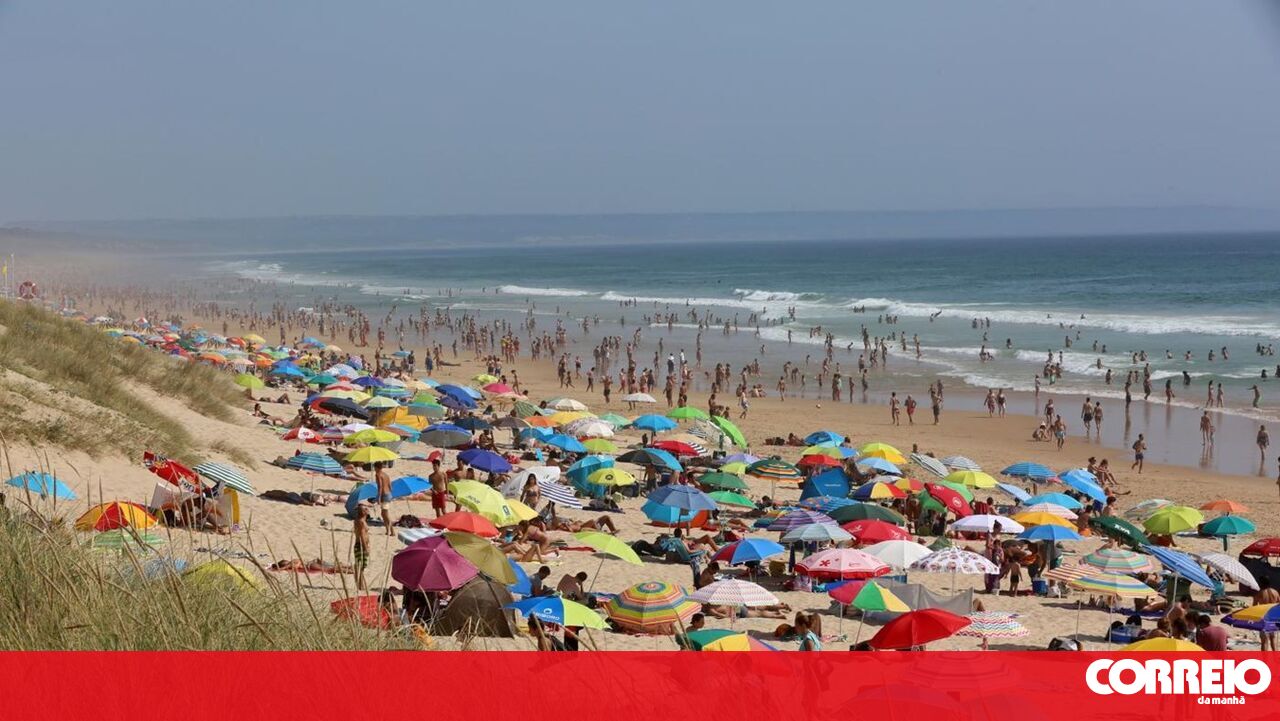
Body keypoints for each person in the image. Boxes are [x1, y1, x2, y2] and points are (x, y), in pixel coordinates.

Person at [1254, 578, 1280, 651]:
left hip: (1264, 618)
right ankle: (1275, 656)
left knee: (1264, 641)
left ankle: (1265, 658)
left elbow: (1254, 607)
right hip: (1274, 618)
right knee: (1273, 639)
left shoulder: (1259, 593)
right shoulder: (1275, 592)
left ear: (1261, 583)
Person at [352, 500, 371, 591]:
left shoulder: (360, 520)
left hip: (360, 545)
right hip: (360, 545)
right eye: (366, 509)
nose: (368, 510)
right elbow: (362, 535)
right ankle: (360, 585)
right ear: (363, 512)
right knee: (360, 567)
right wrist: (365, 547)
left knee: (360, 566)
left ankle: (360, 585)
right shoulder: (361, 522)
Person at [374, 462, 394, 535]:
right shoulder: (386, 475)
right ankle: (387, 530)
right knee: (383, 514)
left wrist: (379, 497)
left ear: (376, 467)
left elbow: (380, 487)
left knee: (385, 514)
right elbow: (390, 487)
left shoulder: (378, 475)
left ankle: (392, 531)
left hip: (384, 495)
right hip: (389, 494)